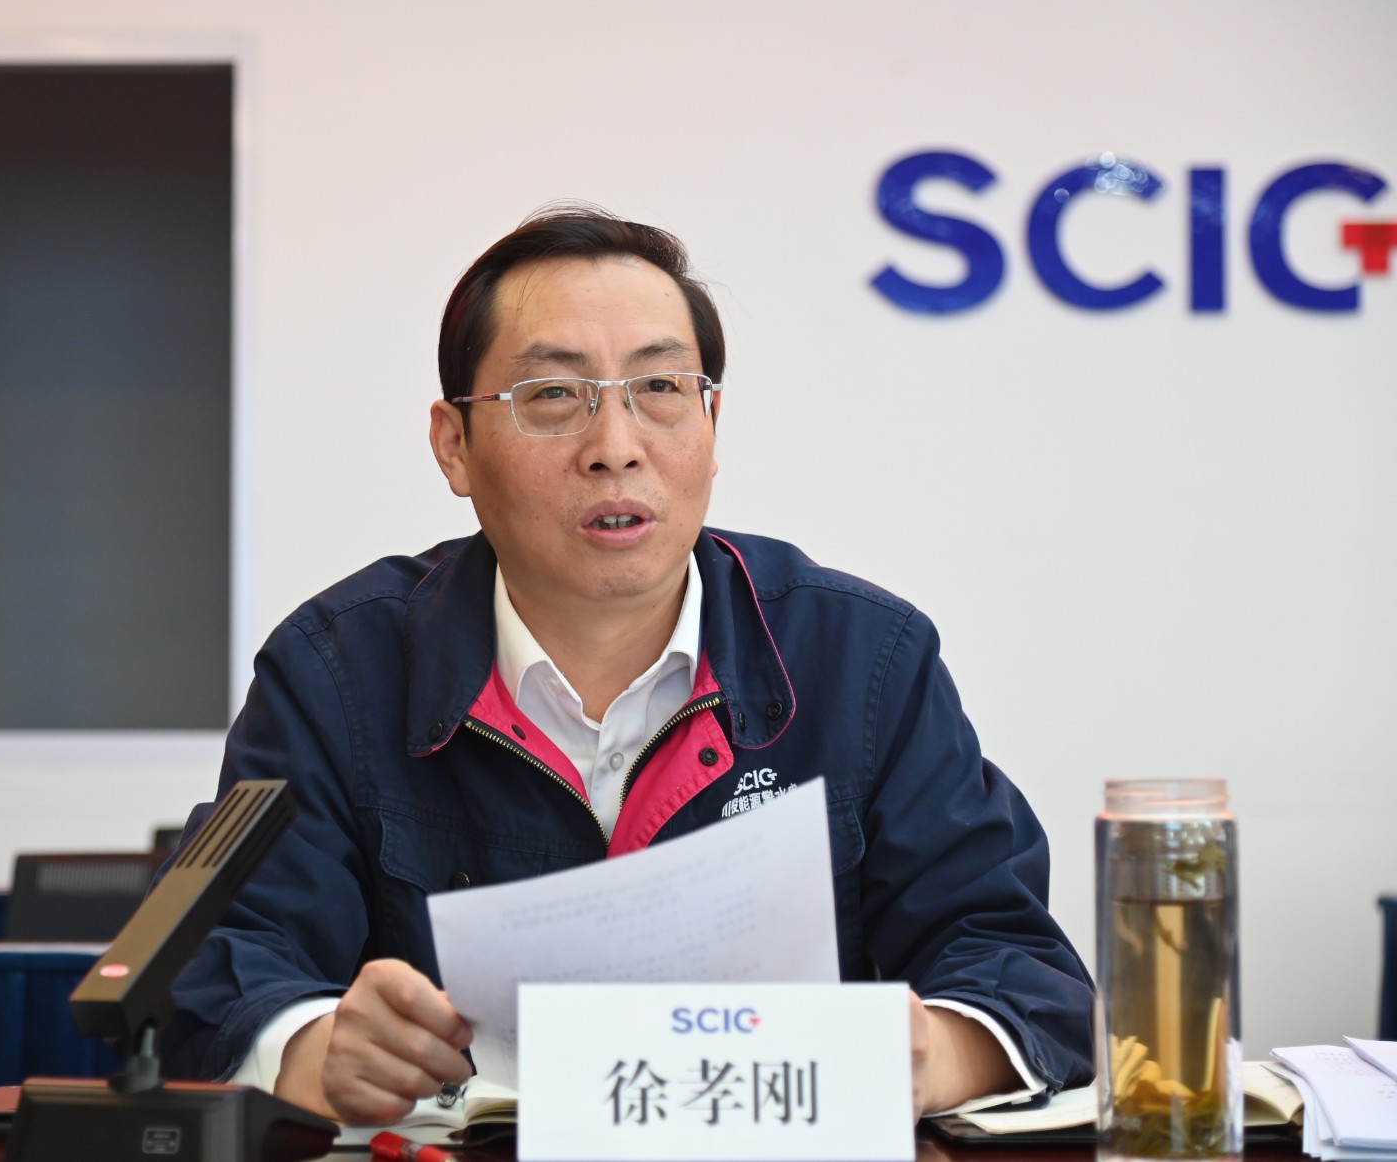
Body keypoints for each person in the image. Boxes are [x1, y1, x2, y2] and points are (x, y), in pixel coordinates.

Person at [163, 205, 1094, 1124]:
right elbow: (220, 966)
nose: (616, 449)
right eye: (552, 396)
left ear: (712, 421)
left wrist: (932, 1056)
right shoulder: (337, 671)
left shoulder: (862, 659)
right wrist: (312, 1046)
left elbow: (1015, 960)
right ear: (455, 445)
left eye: (660, 387)